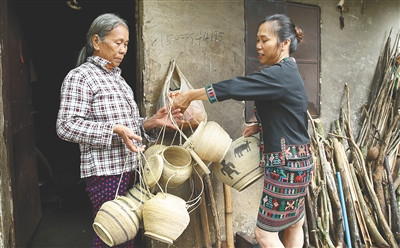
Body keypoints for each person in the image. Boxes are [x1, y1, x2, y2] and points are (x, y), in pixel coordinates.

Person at [172, 14, 313, 248]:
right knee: (294, 223)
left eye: (265, 40)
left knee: (264, 235)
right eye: (257, 40)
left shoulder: (278, 74)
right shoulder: (288, 72)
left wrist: (190, 95)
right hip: (301, 162)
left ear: (284, 43)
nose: (258, 46)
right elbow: (292, 111)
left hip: (285, 167)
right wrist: (261, 125)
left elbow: (235, 87)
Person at [56, 13, 182, 247]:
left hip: (130, 169)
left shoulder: (119, 80)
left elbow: (128, 128)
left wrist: (150, 122)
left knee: (128, 234)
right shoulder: (81, 77)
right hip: (105, 173)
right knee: (111, 236)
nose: (123, 49)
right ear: (96, 42)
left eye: (126, 44)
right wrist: (113, 129)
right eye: (117, 43)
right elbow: (66, 126)